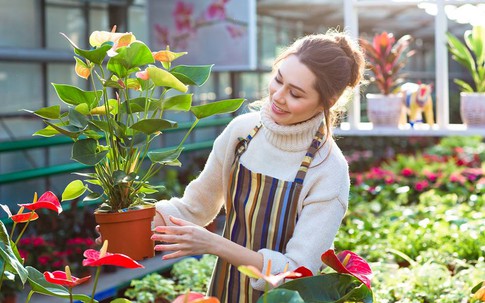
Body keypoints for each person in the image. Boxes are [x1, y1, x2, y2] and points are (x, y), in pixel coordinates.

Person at [98, 30, 365, 303]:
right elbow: (194, 208)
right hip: (225, 292)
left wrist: (214, 244)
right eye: (278, 79)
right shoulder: (242, 133)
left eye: (295, 94)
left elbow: (297, 272)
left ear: (327, 101)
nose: (278, 96)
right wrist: (130, 228)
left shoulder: (328, 169)